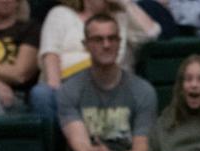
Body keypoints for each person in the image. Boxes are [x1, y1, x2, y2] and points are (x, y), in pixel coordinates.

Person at [3, 13, 156, 151]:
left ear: (119, 43)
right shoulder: (70, 89)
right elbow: (80, 144)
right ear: (86, 45)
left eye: (112, 38)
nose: (106, 45)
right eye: (98, 39)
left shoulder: (142, 90)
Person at [30, 0, 158, 120]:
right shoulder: (60, 14)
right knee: (42, 94)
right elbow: (50, 54)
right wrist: (58, 90)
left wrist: (125, 3)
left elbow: (151, 34)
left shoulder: (122, 17)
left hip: (108, 88)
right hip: (65, 84)